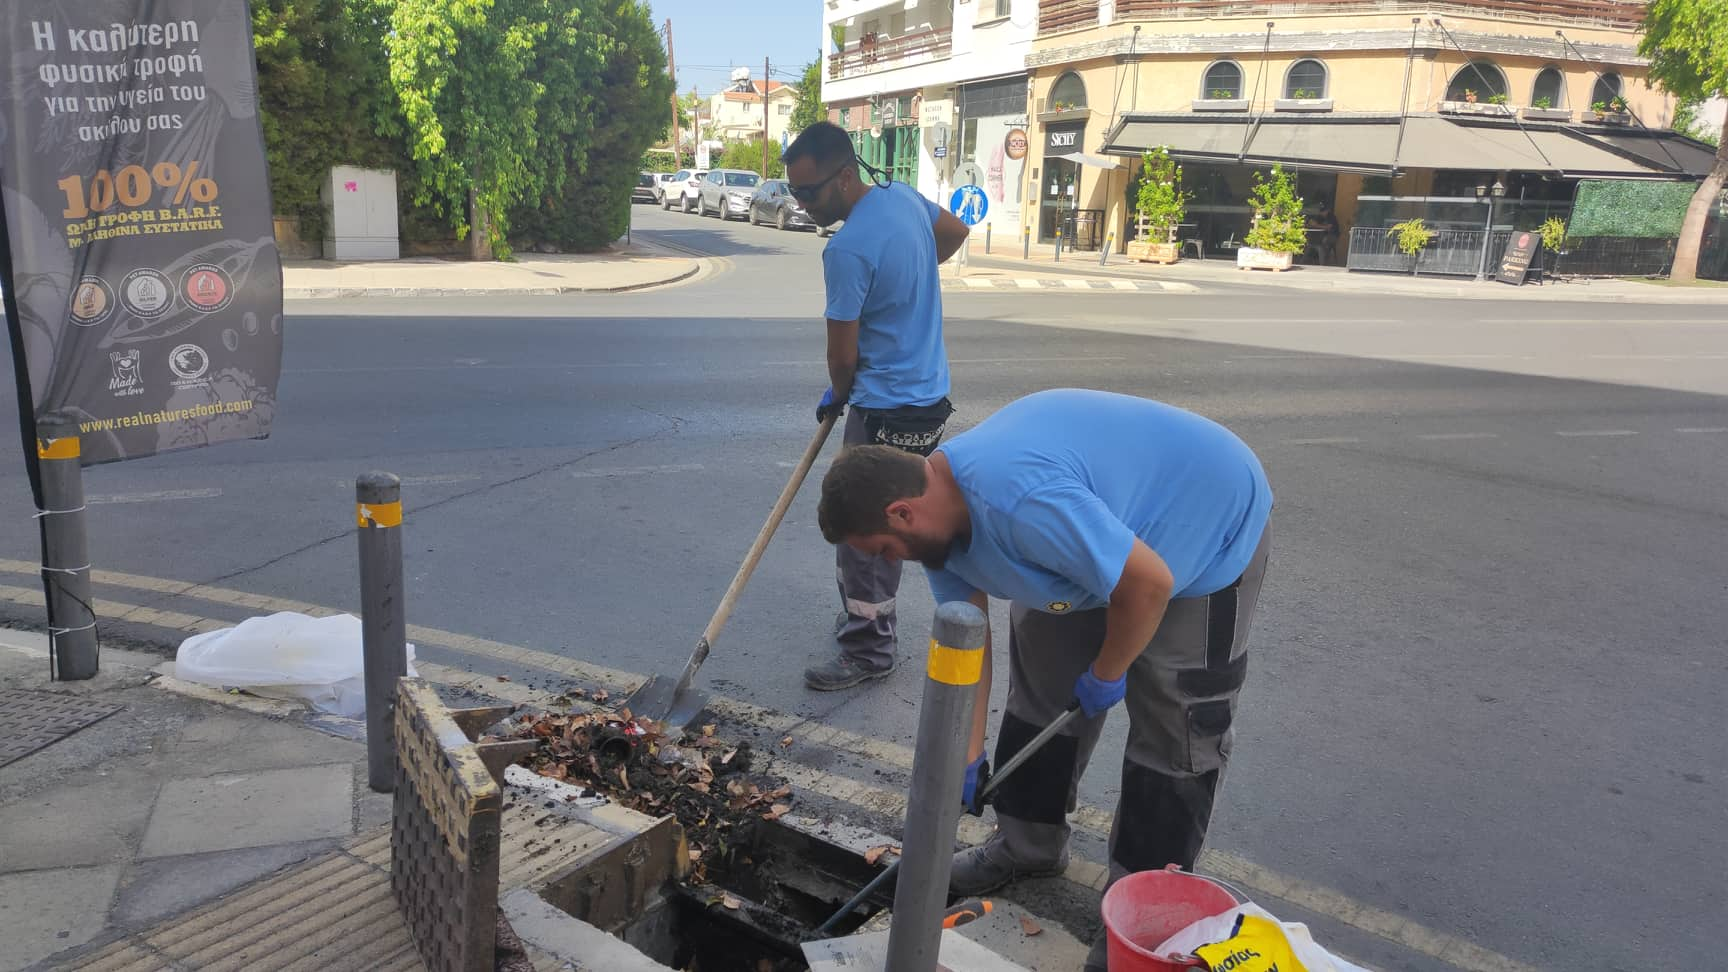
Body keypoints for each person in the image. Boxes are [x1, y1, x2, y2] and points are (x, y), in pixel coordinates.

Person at [815, 388, 1273, 971]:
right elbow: (967, 642)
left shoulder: (1020, 501)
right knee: (1043, 689)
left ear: (903, 512)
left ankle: (1142, 921)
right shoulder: (941, 537)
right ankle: (1027, 846)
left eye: (883, 550)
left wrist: (1108, 672)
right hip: (1090, 545)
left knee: (1175, 729)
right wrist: (969, 753)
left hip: (1200, 530)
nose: (887, 563)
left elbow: (1148, 583)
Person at [783, 121, 972, 691]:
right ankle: (871, 621)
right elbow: (956, 231)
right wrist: (910, 276)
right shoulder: (901, 199)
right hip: (927, 404)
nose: (801, 204)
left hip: (883, 406)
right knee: (895, 514)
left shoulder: (846, 249)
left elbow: (841, 355)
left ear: (845, 177)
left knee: (861, 529)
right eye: (793, 192)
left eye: (809, 193)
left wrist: (839, 396)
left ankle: (868, 649)